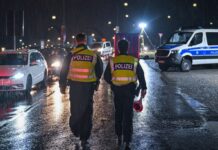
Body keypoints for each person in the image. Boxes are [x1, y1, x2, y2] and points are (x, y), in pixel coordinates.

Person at [59, 33, 103, 149]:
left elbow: (63, 71)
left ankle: (75, 129)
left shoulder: (71, 55)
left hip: (74, 87)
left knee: (75, 109)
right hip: (88, 88)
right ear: (85, 41)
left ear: (76, 41)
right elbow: (99, 70)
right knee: (87, 112)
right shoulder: (93, 55)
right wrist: (96, 81)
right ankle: (84, 138)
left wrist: (62, 86)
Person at [104, 39, 147, 150]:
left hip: (117, 91)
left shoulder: (113, 61)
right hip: (129, 91)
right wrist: (144, 88)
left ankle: (119, 136)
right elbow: (141, 75)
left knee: (118, 113)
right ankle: (127, 141)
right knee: (128, 116)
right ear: (127, 48)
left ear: (118, 48)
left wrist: (113, 84)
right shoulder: (134, 60)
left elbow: (106, 77)